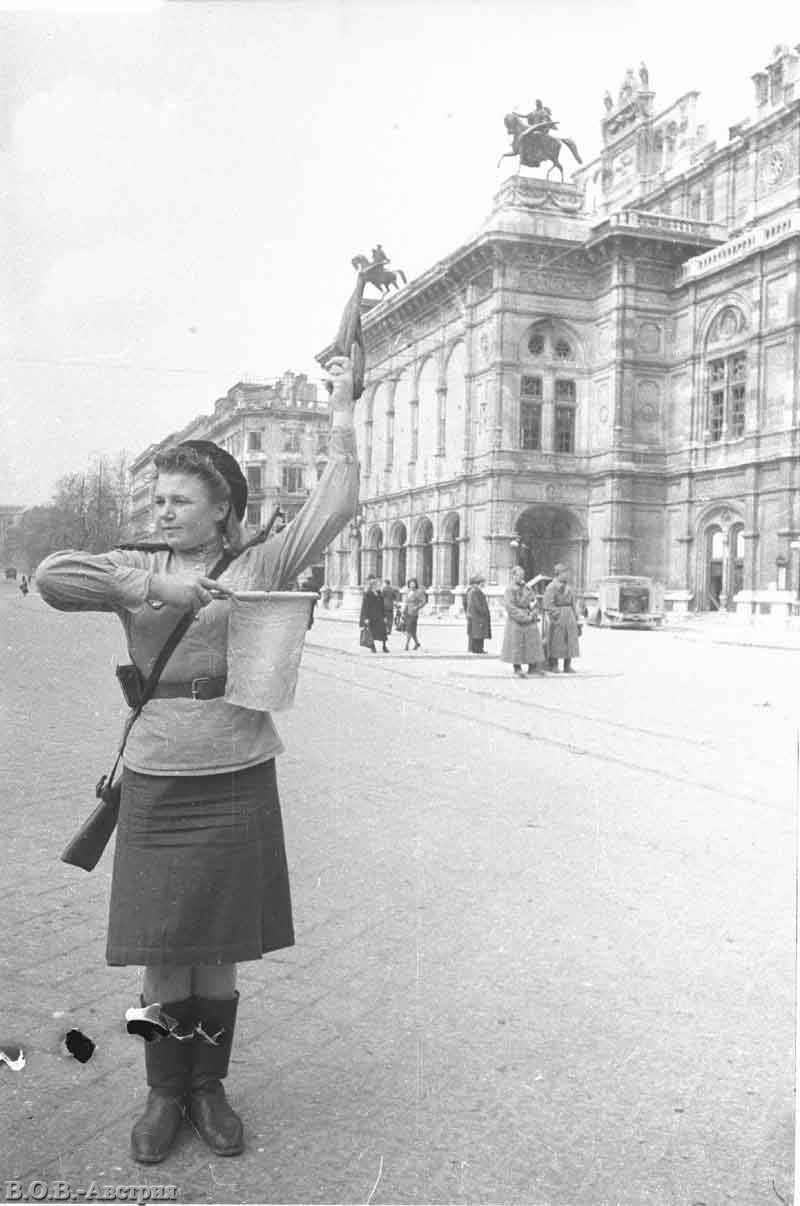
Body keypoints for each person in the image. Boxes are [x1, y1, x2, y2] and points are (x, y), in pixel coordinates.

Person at [35, 355, 359, 1166]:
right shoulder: (137, 568)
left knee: (216, 952)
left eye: (181, 501)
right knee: (161, 953)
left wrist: (343, 411)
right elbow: (50, 577)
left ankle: (208, 1087)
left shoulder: (258, 564)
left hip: (238, 774)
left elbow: (335, 505)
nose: (164, 510)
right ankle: (162, 1091)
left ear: (223, 512)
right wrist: (162, 591)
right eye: (160, 499)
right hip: (157, 779)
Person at [500, 565, 545, 678]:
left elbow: (534, 602)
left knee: (532, 642)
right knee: (517, 643)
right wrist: (524, 617)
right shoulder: (509, 590)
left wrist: (533, 613)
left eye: (522, 575)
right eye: (519, 575)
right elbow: (510, 607)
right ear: (513, 576)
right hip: (516, 620)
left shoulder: (528, 588)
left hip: (529, 617)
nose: (521, 577)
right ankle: (517, 667)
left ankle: (533, 666)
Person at [543, 562, 581, 673]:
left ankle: (567, 665)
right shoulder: (551, 587)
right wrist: (556, 614)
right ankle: (554, 665)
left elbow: (573, 603)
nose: (566, 575)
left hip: (569, 616)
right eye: (564, 573)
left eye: (567, 573)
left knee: (570, 641)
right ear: (558, 574)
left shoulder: (569, 587)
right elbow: (548, 604)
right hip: (558, 616)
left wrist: (576, 616)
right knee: (556, 641)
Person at [359, 576, 389, 653]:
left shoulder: (379, 593)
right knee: (371, 632)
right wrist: (365, 618)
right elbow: (365, 607)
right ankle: (372, 646)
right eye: (377, 585)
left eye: (378, 585)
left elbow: (382, 606)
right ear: (372, 586)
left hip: (379, 616)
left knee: (383, 632)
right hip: (371, 616)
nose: (378, 586)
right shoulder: (367, 594)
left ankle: (384, 646)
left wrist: (385, 616)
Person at [465, 574, 491, 653]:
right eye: (482, 582)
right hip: (478, 616)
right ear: (478, 583)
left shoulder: (473, 591)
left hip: (475, 616)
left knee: (477, 633)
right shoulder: (475, 591)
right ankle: (477, 649)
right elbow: (477, 605)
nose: (483, 584)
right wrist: (484, 612)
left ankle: (477, 649)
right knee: (478, 633)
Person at [402, 578, 427, 651]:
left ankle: (406, 645)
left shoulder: (419, 592)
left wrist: (417, 607)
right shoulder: (408, 591)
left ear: (416, 584)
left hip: (413, 613)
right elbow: (406, 602)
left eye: (413, 583)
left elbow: (423, 601)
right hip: (407, 612)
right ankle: (417, 643)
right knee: (412, 630)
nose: (412, 585)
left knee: (409, 629)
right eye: (410, 584)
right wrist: (403, 611)